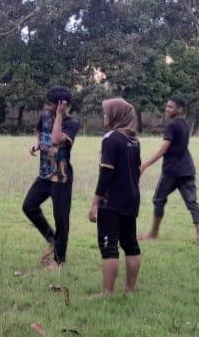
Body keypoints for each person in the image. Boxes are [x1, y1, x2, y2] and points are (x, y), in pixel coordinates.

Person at [22, 87, 82, 271]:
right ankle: (51, 239)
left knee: (61, 219)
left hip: (61, 178)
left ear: (62, 105)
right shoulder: (45, 116)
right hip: (45, 174)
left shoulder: (72, 124)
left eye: (50, 104)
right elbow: (40, 132)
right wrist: (37, 145)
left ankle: (58, 260)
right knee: (29, 206)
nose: (46, 106)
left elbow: (56, 139)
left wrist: (59, 116)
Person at [88, 98, 142, 295]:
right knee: (130, 243)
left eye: (106, 112)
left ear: (116, 115)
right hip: (131, 198)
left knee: (108, 245)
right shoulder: (133, 139)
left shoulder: (110, 139)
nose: (104, 115)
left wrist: (95, 202)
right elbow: (137, 170)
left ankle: (107, 292)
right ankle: (129, 290)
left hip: (112, 201)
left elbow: (106, 174)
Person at [139, 95, 199, 244]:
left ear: (180, 109)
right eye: (167, 106)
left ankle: (153, 233)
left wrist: (145, 164)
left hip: (172, 171)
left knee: (158, 199)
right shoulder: (185, 124)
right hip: (187, 169)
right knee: (192, 202)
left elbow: (163, 150)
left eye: (171, 107)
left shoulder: (172, 125)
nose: (167, 109)